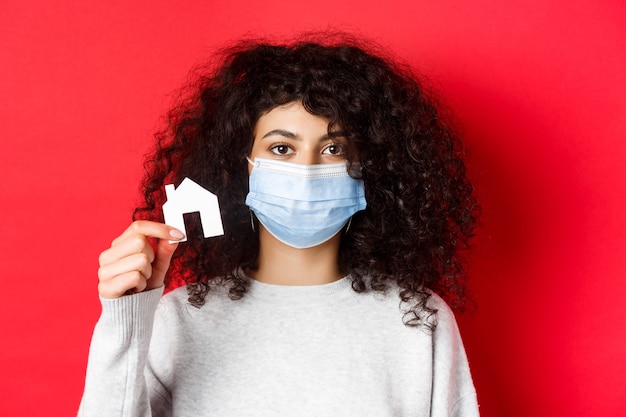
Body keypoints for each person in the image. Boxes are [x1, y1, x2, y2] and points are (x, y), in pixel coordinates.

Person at [78, 32, 480, 417]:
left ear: (367, 167)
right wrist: (127, 319)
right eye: (282, 148)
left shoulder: (416, 320)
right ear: (244, 165)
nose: (306, 169)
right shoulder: (179, 320)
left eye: (333, 148)